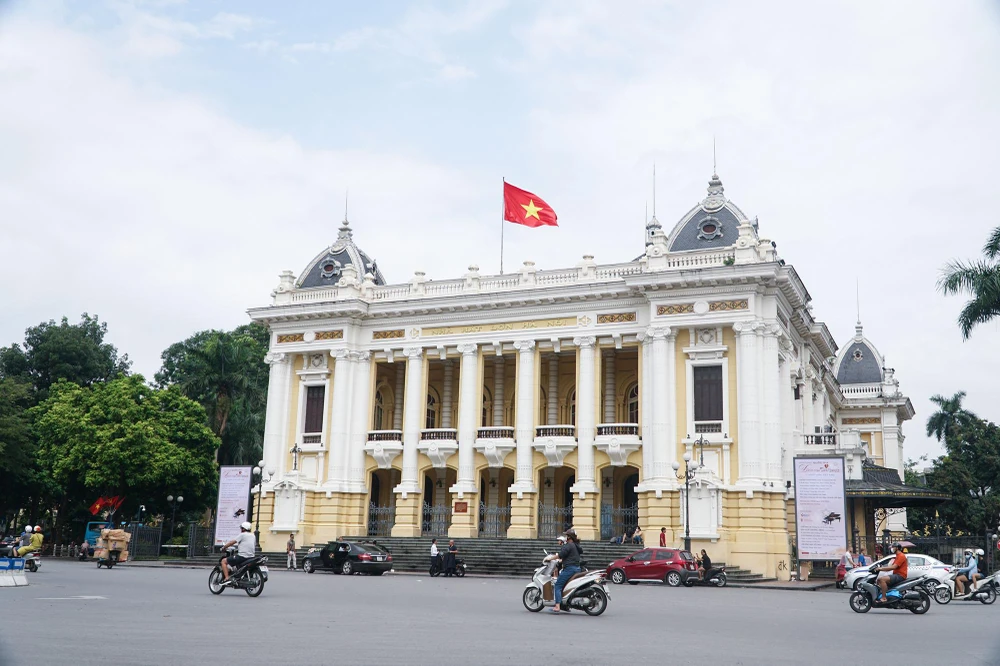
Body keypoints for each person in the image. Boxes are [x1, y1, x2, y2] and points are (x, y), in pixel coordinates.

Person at [545, 529, 582, 613]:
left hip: (569, 569)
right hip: (577, 568)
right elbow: (572, 555)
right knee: (566, 586)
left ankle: (557, 606)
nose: (565, 537)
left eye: (566, 536)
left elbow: (560, 555)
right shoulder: (576, 545)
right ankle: (565, 605)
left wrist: (550, 558)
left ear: (569, 537)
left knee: (558, 585)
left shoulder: (568, 545)